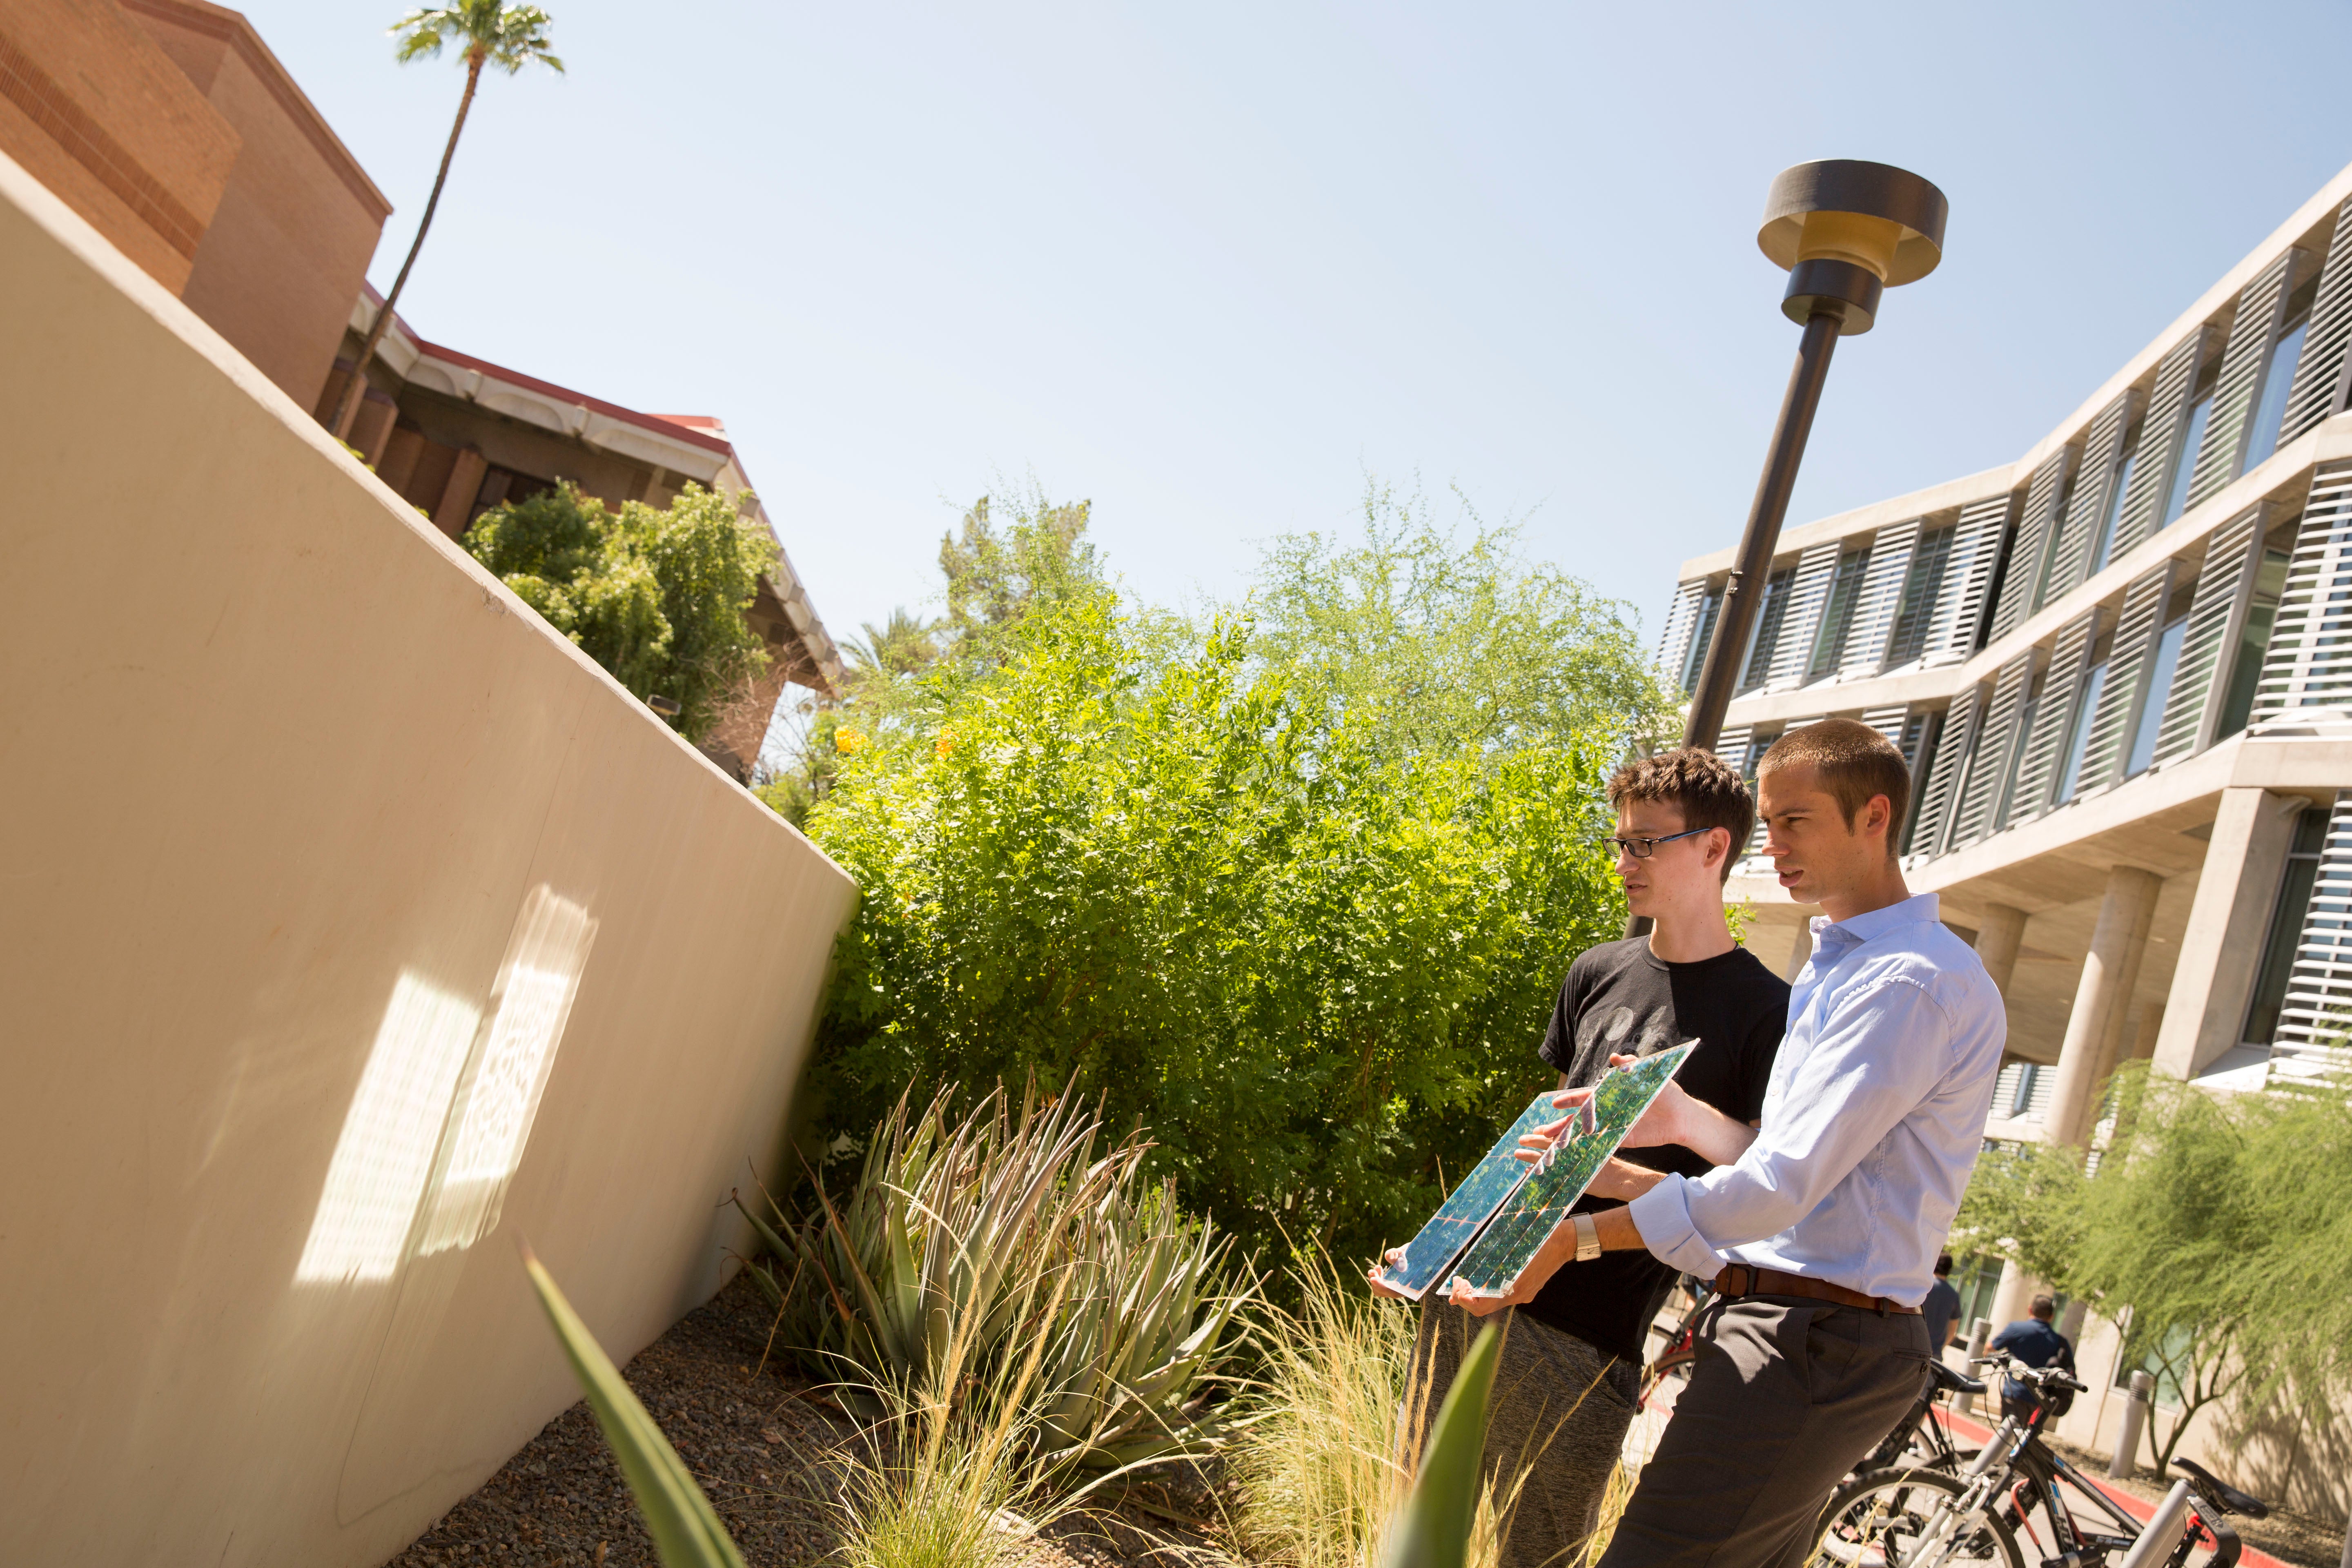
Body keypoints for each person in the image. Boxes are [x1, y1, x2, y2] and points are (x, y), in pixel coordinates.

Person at [1453, 717, 2006, 1568]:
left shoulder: (1907, 982)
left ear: (1875, 819)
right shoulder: (1845, 967)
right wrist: (1675, 1134)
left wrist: (1578, 1238)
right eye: (1772, 821)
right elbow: (1793, 1171)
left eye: (1798, 821)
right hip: (1793, 1324)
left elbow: (1781, 1189)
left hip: (1814, 1337)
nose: (1774, 845)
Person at [1370, 748, 1788, 1568]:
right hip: (1471, 1295)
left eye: (1647, 844)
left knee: (1537, 1558)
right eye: (1621, 842)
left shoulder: (1769, 1013)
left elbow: (1756, 1199)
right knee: (1412, 1541)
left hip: (1585, 1343)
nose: (1626, 862)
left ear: (1714, 850)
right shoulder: (1597, 971)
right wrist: (1437, 1250)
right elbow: (1542, 1150)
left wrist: (1612, 1175)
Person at [1990, 1294, 2077, 1426]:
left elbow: (1991, 1348)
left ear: (2030, 1310)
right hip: (2039, 1399)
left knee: (2007, 1439)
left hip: (2014, 1393)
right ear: (2051, 1317)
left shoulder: (2016, 1329)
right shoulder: (2058, 1341)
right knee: (2022, 1436)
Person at [1922, 1254, 1962, 1352]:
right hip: (1935, 1353)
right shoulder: (1954, 1295)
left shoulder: (1924, 1287)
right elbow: (1953, 1330)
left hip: (1914, 1349)